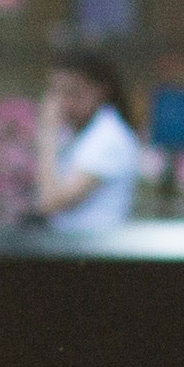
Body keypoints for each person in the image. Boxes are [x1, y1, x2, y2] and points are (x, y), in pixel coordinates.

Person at [36, 53, 148, 237]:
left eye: (72, 91)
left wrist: (47, 133)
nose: (62, 102)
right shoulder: (80, 133)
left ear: (100, 90)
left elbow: (51, 202)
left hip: (97, 255)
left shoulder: (109, 138)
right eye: (56, 91)